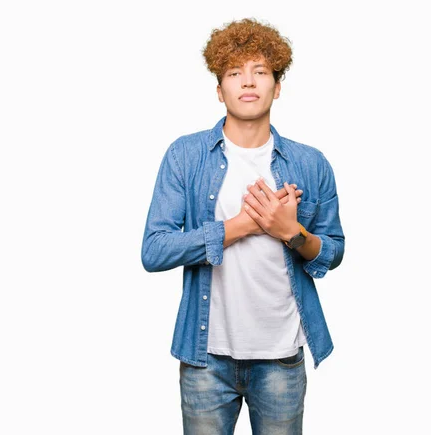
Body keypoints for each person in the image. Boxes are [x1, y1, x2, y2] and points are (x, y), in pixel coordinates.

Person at [141, 17, 345, 435]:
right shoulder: (185, 156)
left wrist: (291, 232)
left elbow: (334, 249)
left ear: (277, 86)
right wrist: (239, 227)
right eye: (235, 73)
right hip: (206, 359)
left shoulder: (310, 163)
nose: (247, 82)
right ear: (220, 90)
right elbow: (155, 250)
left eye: (260, 72)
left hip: (282, 358)